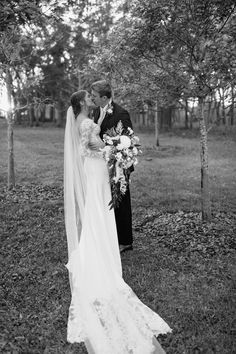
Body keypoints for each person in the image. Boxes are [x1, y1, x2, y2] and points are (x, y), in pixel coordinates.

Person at [64, 89, 171, 354]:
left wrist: (113, 142)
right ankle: (100, 243)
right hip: (98, 167)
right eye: (88, 98)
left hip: (94, 168)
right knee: (100, 206)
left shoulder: (84, 121)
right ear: (80, 103)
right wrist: (118, 146)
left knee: (97, 207)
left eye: (93, 96)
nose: (91, 100)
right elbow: (96, 145)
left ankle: (95, 240)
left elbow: (92, 137)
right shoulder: (86, 122)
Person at [90, 80, 133, 253]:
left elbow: (127, 141)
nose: (92, 98)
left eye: (94, 96)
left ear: (105, 97)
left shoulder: (121, 113)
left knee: (121, 201)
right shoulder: (95, 111)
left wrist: (107, 149)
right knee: (108, 200)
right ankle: (110, 234)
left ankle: (125, 241)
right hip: (101, 164)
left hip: (118, 163)